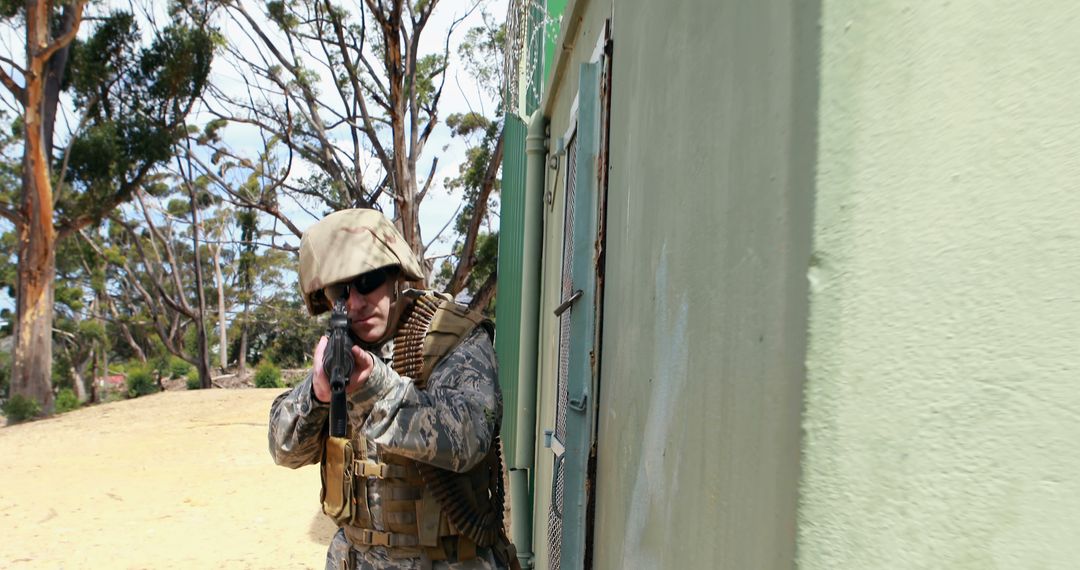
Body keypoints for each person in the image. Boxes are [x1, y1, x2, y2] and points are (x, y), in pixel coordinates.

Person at [268, 209, 517, 570]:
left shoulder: (449, 337)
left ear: (395, 277)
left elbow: (470, 437)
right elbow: (284, 449)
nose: (356, 302)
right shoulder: (341, 353)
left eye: (368, 281)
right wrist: (319, 394)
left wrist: (374, 388)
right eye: (341, 289)